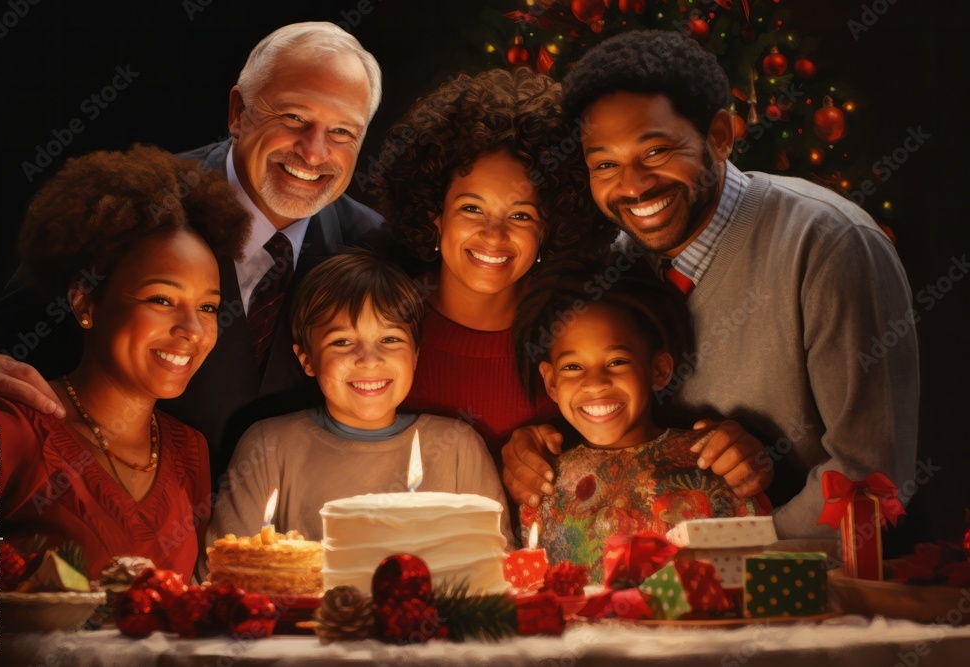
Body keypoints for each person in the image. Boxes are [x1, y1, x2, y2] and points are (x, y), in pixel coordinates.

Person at [502, 30, 918, 538]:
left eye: (655, 152)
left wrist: (729, 559)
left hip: (816, 591)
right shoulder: (609, 266)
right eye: (605, 164)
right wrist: (537, 448)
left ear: (719, 135)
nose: (632, 186)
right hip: (653, 592)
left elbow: (870, 475)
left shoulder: (829, 245)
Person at [0, 22, 385, 486]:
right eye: (293, 118)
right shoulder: (131, 207)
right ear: (238, 112)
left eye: (343, 132)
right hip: (110, 513)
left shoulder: (376, 247)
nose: (314, 152)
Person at [0, 145, 251, 580]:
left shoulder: (188, 450)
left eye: (209, 308)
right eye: (161, 300)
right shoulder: (3, 430)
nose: (192, 330)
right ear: (85, 300)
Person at [371, 67, 618, 465]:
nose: (493, 235)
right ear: (435, 213)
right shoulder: (376, 321)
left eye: (520, 216)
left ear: (548, 229)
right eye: (472, 209)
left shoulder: (573, 339)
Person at [205, 249, 512, 552]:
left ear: (416, 355)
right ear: (307, 359)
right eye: (342, 342)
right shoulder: (268, 447)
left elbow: (496, 576)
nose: (368, 360)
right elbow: (226, 576)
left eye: (390, 339)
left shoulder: (458, 448)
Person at [514, 262, 768, 580]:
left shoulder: (713, 462)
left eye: (617, 362)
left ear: (659, 370)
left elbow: (757, 566)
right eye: (573, 367)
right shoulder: (543, 482)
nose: (594, 383)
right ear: (550, 382)